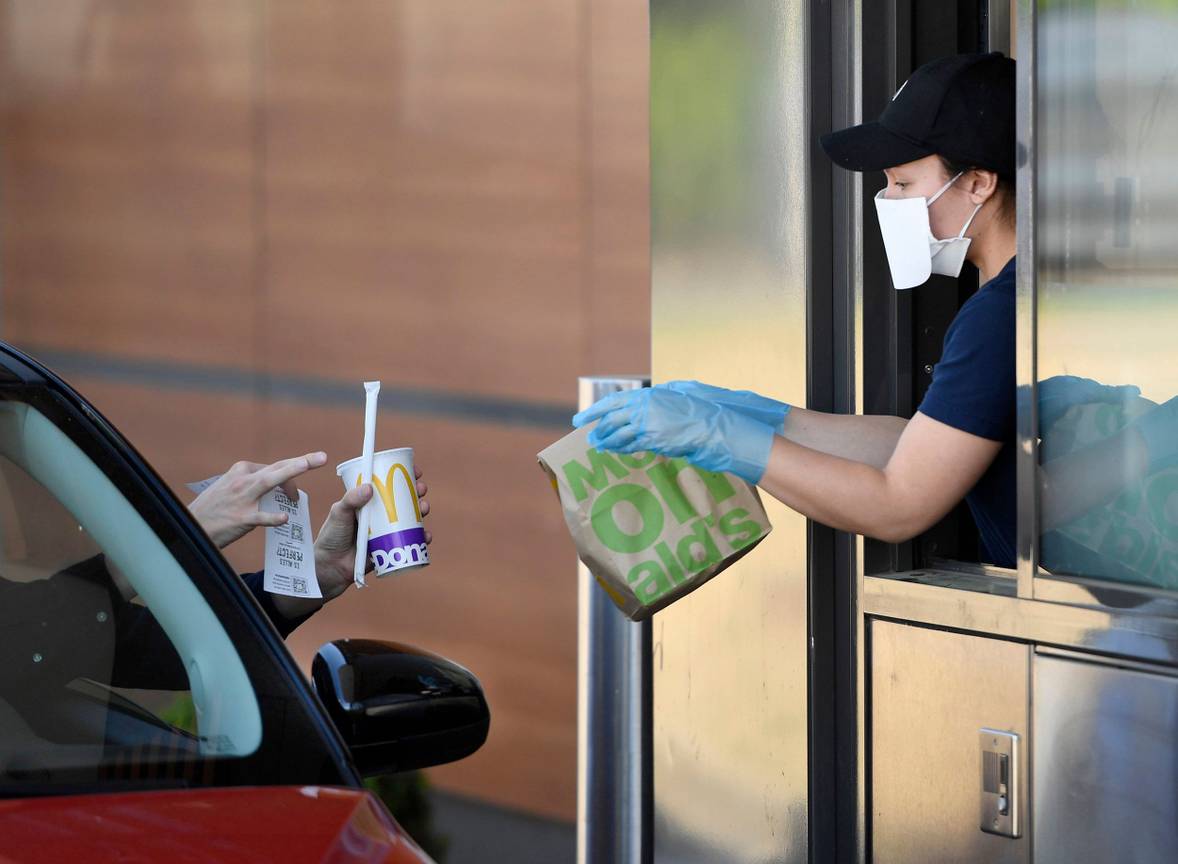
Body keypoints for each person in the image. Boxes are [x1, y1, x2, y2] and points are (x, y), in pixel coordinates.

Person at [573, 52, 1177, 569]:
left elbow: (900, 502)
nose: (886, 200)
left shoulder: (1001, 317)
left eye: (903, 183)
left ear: (979, 183)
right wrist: (765, 417)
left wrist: (721, 436)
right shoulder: (1039, 295)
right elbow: (931, 447)